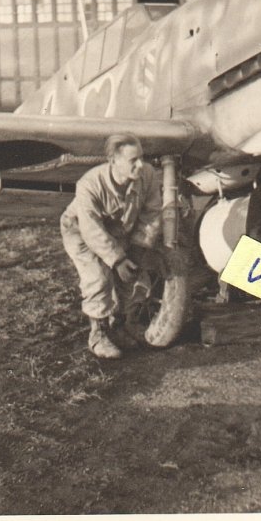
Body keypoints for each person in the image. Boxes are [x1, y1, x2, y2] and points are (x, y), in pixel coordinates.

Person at [60, 134, 163, 359]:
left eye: (142, 158)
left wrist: (137, 249)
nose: (140, 164)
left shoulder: (147, 175)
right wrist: (117, 260)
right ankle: (98, 335)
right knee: (98, 277)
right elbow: (91, 229)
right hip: (80, 230)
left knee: (129, 275)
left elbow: (152, 214)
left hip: (118, 231)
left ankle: (119, 326)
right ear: (113, 160)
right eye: (133, 160)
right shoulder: (89, 184)